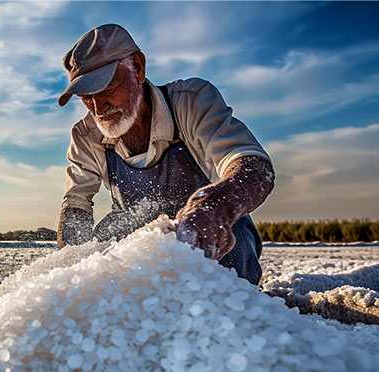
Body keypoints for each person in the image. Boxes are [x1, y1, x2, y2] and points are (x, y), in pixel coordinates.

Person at [56, 24, 274, 285]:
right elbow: (75, 207)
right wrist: (70, 274)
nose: (97, 107)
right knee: (98, 260)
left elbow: (252, 165)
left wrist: (213, 207)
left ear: (137, 68)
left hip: (204, 227)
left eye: (107, 88)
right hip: (134, 233)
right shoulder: (85, 136)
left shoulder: (190, 101)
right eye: (85, 96)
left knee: (233, 239)